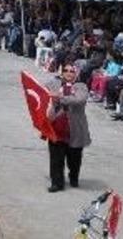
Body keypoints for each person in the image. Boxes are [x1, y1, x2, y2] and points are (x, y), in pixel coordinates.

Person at [45, 63, 91, 192]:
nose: (69, 73)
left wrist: (60, 98)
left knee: (74, 158)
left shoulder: (81, 86)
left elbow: (79, 100)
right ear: (62, 71)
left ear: (76, 73)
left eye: (72, 71)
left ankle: (73, 177)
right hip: (56, 124)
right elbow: (42, 92)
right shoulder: (54, 83)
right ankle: (57, 182)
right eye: (66, 70)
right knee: (56, 157)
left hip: (74, 127)